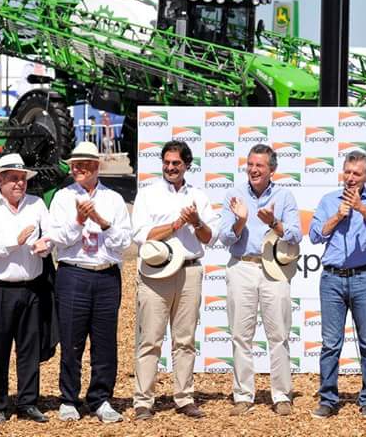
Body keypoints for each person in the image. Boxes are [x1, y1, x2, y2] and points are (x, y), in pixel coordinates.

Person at [131, 140, 220, 420]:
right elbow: (141, 235)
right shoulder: (148, 194)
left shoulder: (199, 196)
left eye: (176, 163)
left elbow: (210, 238)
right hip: (155, 272)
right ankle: (143, 400)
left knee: (185, 340)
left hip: (189, 270)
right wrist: (175, 225)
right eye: (167, 162)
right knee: (150, 339)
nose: (170, 167)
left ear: (187, 165)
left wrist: (196, 222)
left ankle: (184, 397)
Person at [49, 141, 132, 423]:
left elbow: (124, 242)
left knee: (105, 341)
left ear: (96, 167)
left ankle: (101, 398)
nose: (76, 169)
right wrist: (78, 220)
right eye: (74, 165)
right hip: (74, 272)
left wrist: (100, 221)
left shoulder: (114, 199)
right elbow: (58, 239)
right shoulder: (62, 197)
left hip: (107, 274)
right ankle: (68, 398)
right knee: (71, 340)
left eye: (82, 165)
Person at [219, 144, 301, 416]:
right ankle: (243, 395)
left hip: (274, 269)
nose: (253, 170)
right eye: (250, 164)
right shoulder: (234, 195)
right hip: (242, 266)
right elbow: (224, 238)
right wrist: (240, 221)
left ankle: (282, 395)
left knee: (279, 335)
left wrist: (274, 222)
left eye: (260, 166)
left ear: (272, 170)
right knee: (241, 336)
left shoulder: (284, 196)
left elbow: (296, 235)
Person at [308, 151, 366, 419]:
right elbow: (315, 235)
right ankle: (328, 399)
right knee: (330, 343)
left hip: (364, 279)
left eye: (357, 173)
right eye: (347, 172)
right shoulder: (328, 200)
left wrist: (361, 209)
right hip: (332, 279)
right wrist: (337, 217)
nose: (351, 178)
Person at [0, 153, 52, 424]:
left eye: (23, 179)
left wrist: (45, 246)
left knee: (30, 348)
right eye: (13, 179)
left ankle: (28, 402)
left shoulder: (37, 204)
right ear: (0, 180)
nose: (19, 183)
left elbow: (49, 234)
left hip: (32, 287)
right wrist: (14, 241)